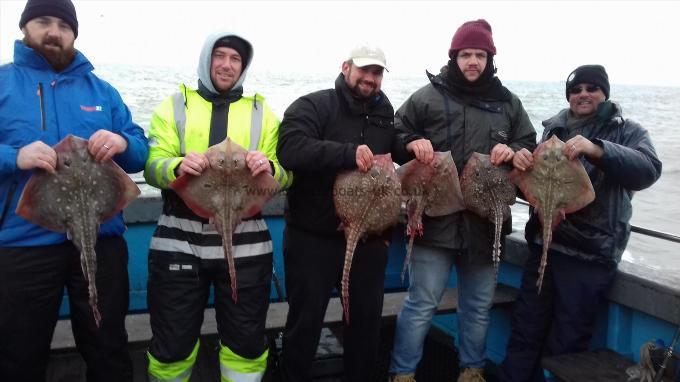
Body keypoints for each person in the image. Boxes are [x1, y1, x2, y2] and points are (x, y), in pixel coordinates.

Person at [0, 0, 149, 380]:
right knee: (19, 352)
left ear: (74, 33)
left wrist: (121, 142)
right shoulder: (3, 83)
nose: (54, 31)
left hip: (102, 236)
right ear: (24, 28)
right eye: (43, 22)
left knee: (108, 348)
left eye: (63, 25)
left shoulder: (102, 90)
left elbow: (140, 149)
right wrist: (13, 156)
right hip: (23, 243)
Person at [388, 19, 537, 382]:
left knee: (477, 307)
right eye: (466, 54)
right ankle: (402, 373)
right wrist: (409, 142)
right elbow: (394, 131)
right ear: (454, 57)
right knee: (421, 304)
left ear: (490, 59)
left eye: (480, 55)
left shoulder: (508, 103)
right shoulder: (427, 97)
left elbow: (530, 145)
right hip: (434, 220)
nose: (473, 61)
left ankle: (471, 370)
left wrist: (515, 150)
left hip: (486, 223)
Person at [499, 65, 662, 381]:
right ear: (568, 96)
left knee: (567, 343)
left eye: (591, 88)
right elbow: (530, 186)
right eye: (576, 89)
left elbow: (648, 170)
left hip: (589, 256)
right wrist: (518, 163)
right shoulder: (553, 130)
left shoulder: (627, 131)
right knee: (525, 330)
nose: (583, 94)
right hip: (546, 245)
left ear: (605, 93)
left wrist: (598, 149)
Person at [143, 30, 290, 381]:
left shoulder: (262, 112)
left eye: (235, 59)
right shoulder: (176, 105)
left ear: (243, 66)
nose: (226, 65)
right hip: (180, 238)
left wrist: (269, 168)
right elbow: (150, 164)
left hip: (246, 239)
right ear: (207, 59)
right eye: (219, 56)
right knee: (172, 343)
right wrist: (176, 166)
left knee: (246, 342)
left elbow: (287, 173)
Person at [275, 44, 412, 382]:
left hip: (368, 236)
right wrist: (347, 153)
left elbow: (395, 141)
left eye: (377, 73)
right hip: (314, 238)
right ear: (346, 67)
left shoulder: (384, 112)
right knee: (305, 323)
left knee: (366, 325)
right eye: (364, 70)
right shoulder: (314, 105)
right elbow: (290, 148)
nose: (370, 78)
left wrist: (412, 143)